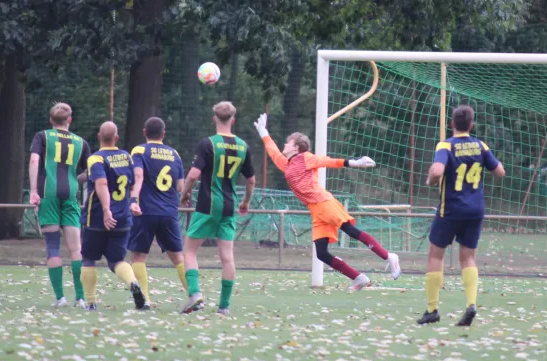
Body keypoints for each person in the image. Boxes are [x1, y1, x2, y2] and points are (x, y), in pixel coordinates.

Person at [253, 114, 401, 290]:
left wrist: (354, 163)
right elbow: (273, 151)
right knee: (322, 253)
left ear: (297, 147)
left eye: (288, 142)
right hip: (316, 210)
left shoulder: (305, 157)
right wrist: (263, 132)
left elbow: (326, 161)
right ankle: (359, 278)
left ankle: (388, 256)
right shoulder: (287, 164)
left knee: (351, 231)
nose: (284, 145)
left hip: (323, 202)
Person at [417, 105, 505, 326]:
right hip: (475, 210)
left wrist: (430, 180)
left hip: (451, 209)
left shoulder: (446, 145)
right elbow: (500, 172)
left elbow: (437, 171)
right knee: (468, 258)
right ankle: (471, 304)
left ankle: (432, 309)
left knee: (435, 256)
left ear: (452, 124)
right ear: (471, 125)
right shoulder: (481, 145)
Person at [180, 102, 256, 316]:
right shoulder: (243, 146)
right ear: (233, 119)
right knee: (227, 258)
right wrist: (246, 202)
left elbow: (194, 175)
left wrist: (184, 193)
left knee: (190, 251)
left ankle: (194, 294)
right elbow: (251, 180)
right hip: (229, 206)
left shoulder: (207, 144)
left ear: (214, 118)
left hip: (207, 204)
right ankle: (224, 307)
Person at [29, 102, 91, 307]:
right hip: (70, 196)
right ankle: (81, 298)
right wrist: (75, 179)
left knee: (53, 247)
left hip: (49, 194)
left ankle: (60, 298)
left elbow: (34, 162)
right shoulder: (81, 142)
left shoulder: (42, 136)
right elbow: (88, 172)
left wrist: (34, 191)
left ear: (50, 120)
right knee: (76, 249)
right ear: (70, 120)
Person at [80, 121, 146, 311]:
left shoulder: (95, 159)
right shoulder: (126, 156)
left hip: (99, 216)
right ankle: (132, 283)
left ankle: (91, 302)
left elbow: (101, 184)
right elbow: (132, 184)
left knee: (89, 258)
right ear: (116, 138)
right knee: (117, 260)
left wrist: (107, 210)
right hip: (123, 216)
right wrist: (133, 202)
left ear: (99, 137)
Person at [128, 117, 187, 310]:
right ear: (163, 134)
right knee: (178, 258)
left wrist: (133, 200)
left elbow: (138, 176)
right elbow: (180, 186)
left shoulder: (139, 151)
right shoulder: (174, 153)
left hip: (145, 211)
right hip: (169, 212)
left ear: (145, 132)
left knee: (138, 256)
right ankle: (194, 294)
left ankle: (145, 299)